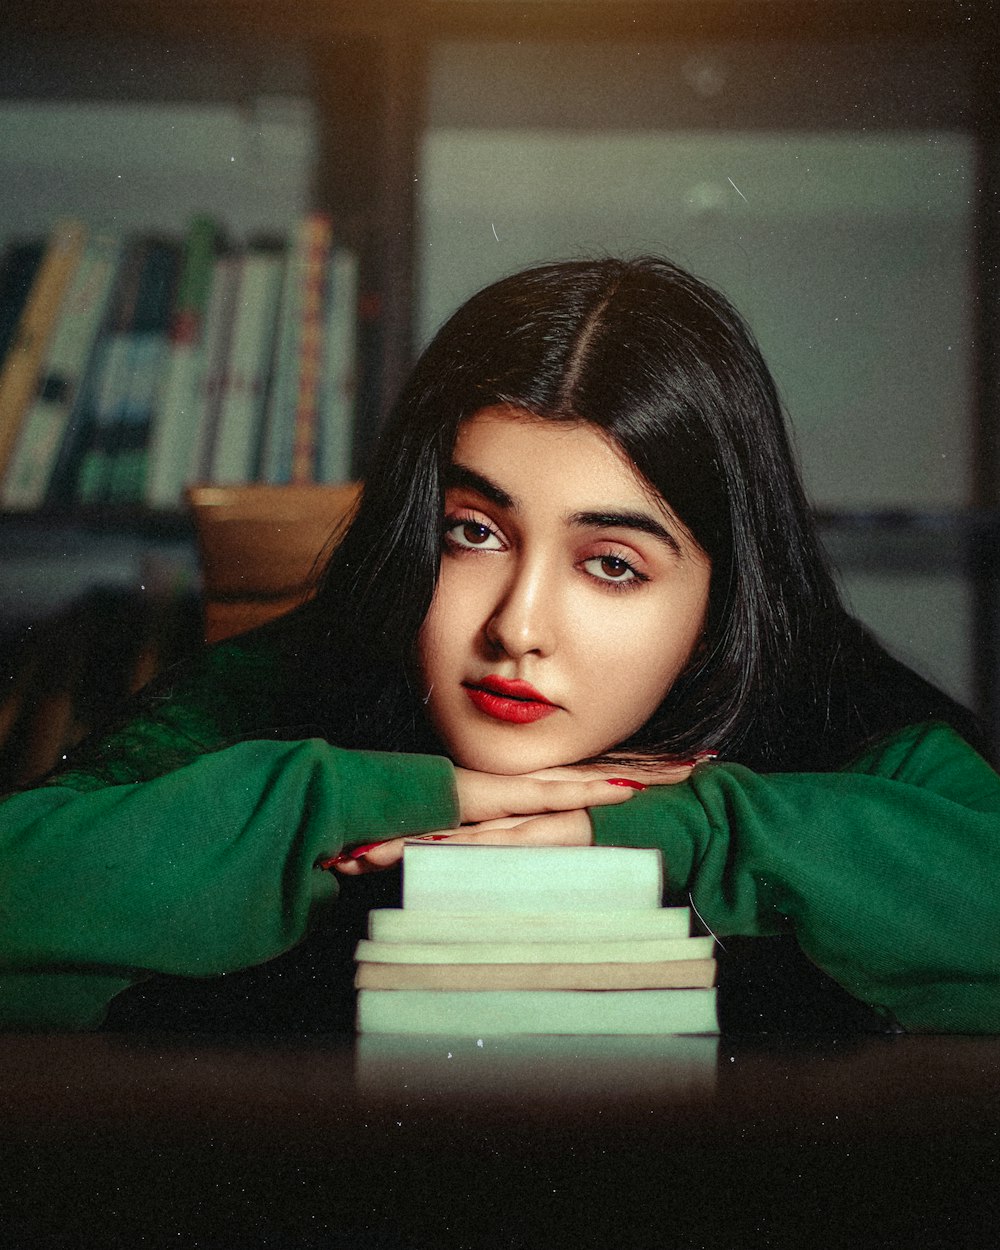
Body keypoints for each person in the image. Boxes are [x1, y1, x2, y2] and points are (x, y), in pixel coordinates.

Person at [1, 256, 997, 1034]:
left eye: (611, 562)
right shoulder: (273, 691)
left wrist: (691, 827)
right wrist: (349, 805)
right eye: (473, 532)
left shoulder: (855, 734)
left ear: (723, 592)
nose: (518, 626)